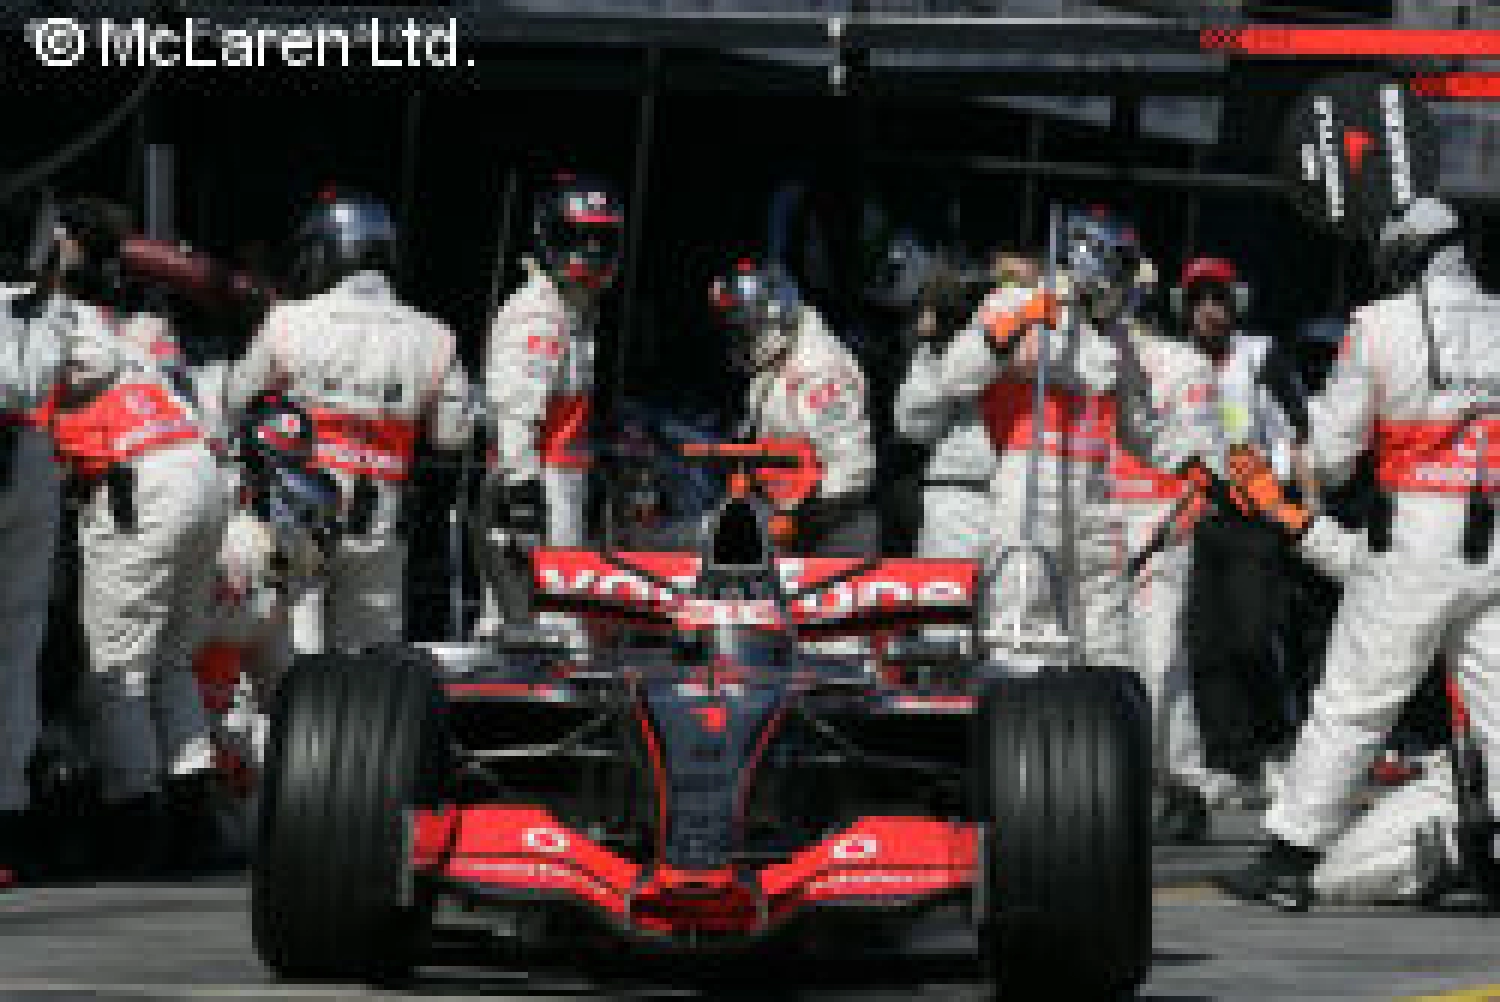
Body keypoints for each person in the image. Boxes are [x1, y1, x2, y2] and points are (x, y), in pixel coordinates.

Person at [1221, 197, 1500, 911]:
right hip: (1494, 539)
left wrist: (1288, 465)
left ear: (1409, 254)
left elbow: (1333, 456)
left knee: (1355, 700)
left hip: (1412, 539)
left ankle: (1289, 857)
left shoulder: (1377, 325)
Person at [913, 208, 1215, 667]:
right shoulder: (1019, 304)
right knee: (1022, 623)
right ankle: (1019, 708)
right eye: (1124, 264)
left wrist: (1192, 471)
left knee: (1105, 637)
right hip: (1031, 484)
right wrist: (1004, 335)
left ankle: (1097, 709)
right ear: (1094, 258)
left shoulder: (1117, 336)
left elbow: (1141, 432)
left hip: (1097, 491)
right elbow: (954, 376)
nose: (1130, 279)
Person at [44, 198, 228, 870]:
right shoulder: (125, 329)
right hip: (197, 471)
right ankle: (192, 819)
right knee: (170, 659)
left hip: (140, 481)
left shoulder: (52, 328)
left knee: (118, 667)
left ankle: (132, 826)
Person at [1220, 442, 1478, 906]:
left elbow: (1389, 570)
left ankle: (1293, 863)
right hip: (1469, 779)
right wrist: (1285, 514)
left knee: (1336, 872)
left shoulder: (1422, 529)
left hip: (1467, 788)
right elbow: (1372, 569)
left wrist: (1290, 500)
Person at [228, 191, 471, 656]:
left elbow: (236, 402)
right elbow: (451, 436)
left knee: (291, 659)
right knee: (368, 668)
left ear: (329, 253)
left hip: (297, 511)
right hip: (379, 521)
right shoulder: (436, 337)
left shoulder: (288, 322)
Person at [1176, 255, 1305, 791]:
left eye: (1220, 298)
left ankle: (1278, 741)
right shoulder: (1170, 359)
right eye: (1199, 299)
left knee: (1254, 636)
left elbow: (1301, 430)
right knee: (1205, 643)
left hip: (1256, 514)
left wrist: (1302, 506)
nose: (1210, 310)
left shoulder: (1261, 355)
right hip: (1195, 514)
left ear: (1237, 303)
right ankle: (1228, 756)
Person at [479, 173, 624, 635]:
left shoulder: (574, 312)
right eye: (578, 238)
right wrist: (522, 497)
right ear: (550, 237)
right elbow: (514, 414)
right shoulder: (539, 314)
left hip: (561, 491)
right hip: (534, 494)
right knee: (531, 628)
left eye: (601, 240)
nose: (591, 252)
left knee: (565, 625)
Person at [1110, 316, 1227, 842]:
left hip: (1159, 522)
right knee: (1110, 662)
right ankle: (1174, 785)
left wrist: (1179, 518)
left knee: (1156, 659)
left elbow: (1206, 459)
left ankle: (1163, 786)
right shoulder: (1069, 358)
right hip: (1094, 525)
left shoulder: (1184, 365)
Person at [709, 255, 877, 556]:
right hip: (790, 517)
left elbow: (853, 466)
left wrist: (800, 518)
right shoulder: (777, 363)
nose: (736, 339)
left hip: (835, 532)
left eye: (740, 329)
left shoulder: (816, 368)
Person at [0, 194, 68, 887]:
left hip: (20, 449)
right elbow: (48, 377)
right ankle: (8, 819)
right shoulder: (46, 310)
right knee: (16, 653)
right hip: (28, 453)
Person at [895, 263, 1000, 564]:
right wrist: (942, 350)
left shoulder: (1033, 335)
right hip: (957, 494)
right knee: (947, 589)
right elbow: (911, 424)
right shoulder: (935, 352)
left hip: (1019, 495)